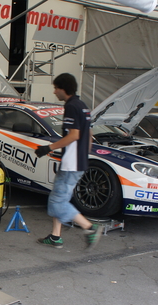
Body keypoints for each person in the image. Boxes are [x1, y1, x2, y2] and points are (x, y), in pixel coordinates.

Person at [34, 73, 103, 250]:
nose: (55, 92)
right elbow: (89, 135)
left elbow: (74, 135)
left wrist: (48, 148)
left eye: (56, 88)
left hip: (71, 163)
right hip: (77, 162)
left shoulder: (72, 106)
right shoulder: (83, 106)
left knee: (57, 202)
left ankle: (90, 228)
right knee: (60, 197)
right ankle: (55, 236)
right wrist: (82, 156)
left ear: (63, 88)